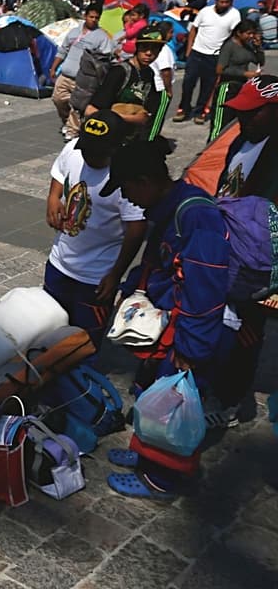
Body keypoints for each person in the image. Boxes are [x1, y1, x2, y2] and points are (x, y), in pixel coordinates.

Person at [102, 138, 231, 499]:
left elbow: (206, 290)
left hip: (185, 335)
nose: (126, 199)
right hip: (167, 327)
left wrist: (191, 348)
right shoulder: (167, 209)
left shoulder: (196, 217)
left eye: (126, 189)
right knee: (151, 396)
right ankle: (145, 454)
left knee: (171, 408)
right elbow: (158, 263)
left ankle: (161, 479)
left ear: (145, 181)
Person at [43, 109, 147, 348]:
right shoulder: (75, 149)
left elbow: (135, 230)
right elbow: (59, 171)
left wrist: (115, 274)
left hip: (95, 279)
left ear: (115, 147)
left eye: (97, 153)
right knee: (49, 331)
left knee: (83, 342)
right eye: (86, 149)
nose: (89, 156)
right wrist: (53, 197)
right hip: (59, 264)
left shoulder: (125, 177)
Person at [208, 77, 278, 427]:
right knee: (221, 326)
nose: (243, 120)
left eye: (252, 113)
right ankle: (214, 387)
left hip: (258, 265)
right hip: (228, 252)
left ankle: (235, 400)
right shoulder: (241, 141)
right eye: (239, 113)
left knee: (247, 333)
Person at [174, 0, 241, 124]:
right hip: (197, 53)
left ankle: (200, 111)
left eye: (227, 2)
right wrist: (189, 50)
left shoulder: (234, 15)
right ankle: (184, 108)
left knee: (208, 86)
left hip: (215, 56)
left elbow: (235, 36)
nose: (224, 5)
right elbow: (194, 30)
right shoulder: (205, 12)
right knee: (188, 83)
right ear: (216, 1)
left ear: (231, 2)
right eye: (221, 2)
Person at [49, 3, 113, 140]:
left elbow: (106, 58)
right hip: (65, 74)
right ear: (85, 16)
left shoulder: (102, 37)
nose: (94, 20)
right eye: (91, 17)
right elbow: (63, 50)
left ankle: (73, 131)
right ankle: (67, 121)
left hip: (84, 79)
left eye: (97, 17)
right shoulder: (74, 32)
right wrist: (53, 68)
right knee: (58, 99)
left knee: (77, 106)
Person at [85, 28, 164, 132]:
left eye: (154, 49)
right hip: (109, 133)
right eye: (144, 48)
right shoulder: (120, 72)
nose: (149, 53)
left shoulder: (149, 73)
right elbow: (91, 110)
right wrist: (131, 119)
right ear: (137, 47)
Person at [208, 19, 265, 141]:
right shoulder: (229, 46)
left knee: (233, 122)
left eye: (252, 34)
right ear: (239, 33)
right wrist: (244, 73)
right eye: (248, 33)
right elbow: (219, 69)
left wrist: (258, 47)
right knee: (220, 122)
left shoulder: (247, 46)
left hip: (241, 88)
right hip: (227, 87)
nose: (251, 36)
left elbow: (259, 61)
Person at [146, 21, 177, 141]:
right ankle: (150, 142)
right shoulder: (164, 50)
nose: (172, 35)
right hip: (160, 90)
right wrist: (169, 90)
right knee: (156, 120)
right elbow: (166, 72)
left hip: (153, 87)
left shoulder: (154, 47)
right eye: (171, 32)